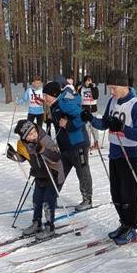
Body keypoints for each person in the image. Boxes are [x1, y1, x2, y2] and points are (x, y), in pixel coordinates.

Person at [81, 68, 137, 245]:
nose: (111, 92)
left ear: (124, 86)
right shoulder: (112, 101)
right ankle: (123, 224)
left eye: (113, 88)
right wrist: (90, 118)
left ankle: (131, 227)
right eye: (110, 88)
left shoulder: (136, 105)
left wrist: (122, 127)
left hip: (129, 154)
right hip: (115, 152)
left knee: (128, 194)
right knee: (116, 193)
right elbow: (103, 124)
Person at [7, 119, 64, 238]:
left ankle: (50, 227)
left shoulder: (45, 140)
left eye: (34, 132)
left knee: (48, 201)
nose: (33, 136)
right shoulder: (23, 144)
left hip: (53, 174)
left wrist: (42, 150)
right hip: (40, 174)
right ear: (24, 138)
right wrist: (13, 155)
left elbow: (56, 157)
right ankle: (36, 223)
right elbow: (23, 158)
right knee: (37, 199)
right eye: (30, 135)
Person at [42, 80, 93, 212]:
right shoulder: (55, 105)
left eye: (46, 95)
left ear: (53, 94)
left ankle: (87, 200)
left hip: (78, 143)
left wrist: (68, 124)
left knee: (82, 172)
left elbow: (83, 116)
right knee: (59, 172)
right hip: (65, 146)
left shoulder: (65, 103)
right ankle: (51, 198)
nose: (44, 98)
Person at [77, 75, 100, 149]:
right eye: (87, 80)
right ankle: (87, 143)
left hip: (93, 110)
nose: (89, 82)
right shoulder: (81, 89)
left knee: (94, 127)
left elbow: (96, 96)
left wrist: (91, 87)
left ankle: (96, 142)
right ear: (84, 81)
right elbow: (78, 98)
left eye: (90, 80)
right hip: (84, 110)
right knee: (86, 127)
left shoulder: (94, 88)